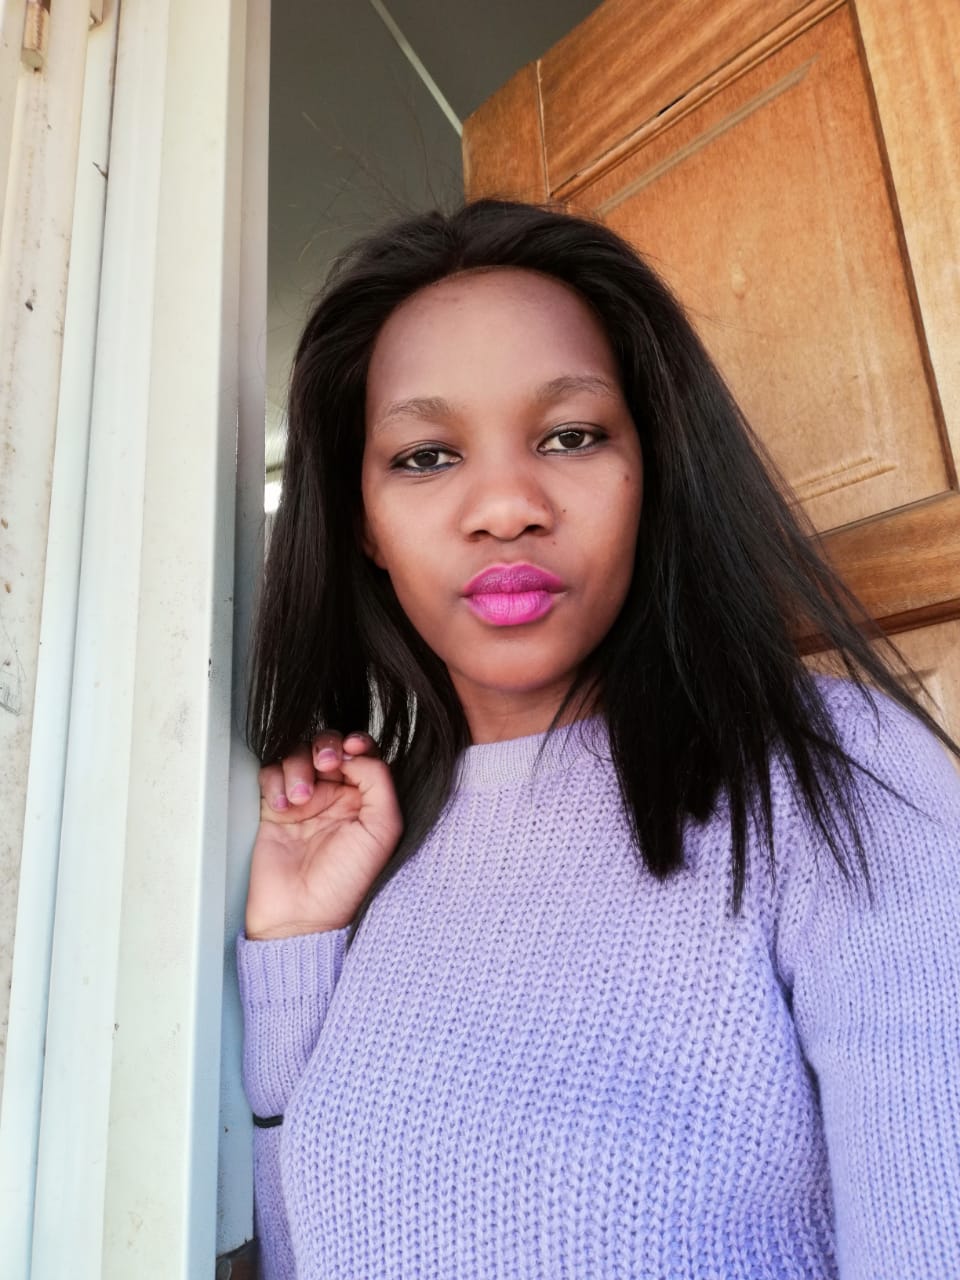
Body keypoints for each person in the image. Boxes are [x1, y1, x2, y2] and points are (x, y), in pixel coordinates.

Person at [237, 198, 960, 1280]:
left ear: (654, 467)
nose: (505, 507)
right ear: (365, 528)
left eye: (572, 435)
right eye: (426, 456)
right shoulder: (379, 843)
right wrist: (297, 944)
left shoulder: (835, 776)